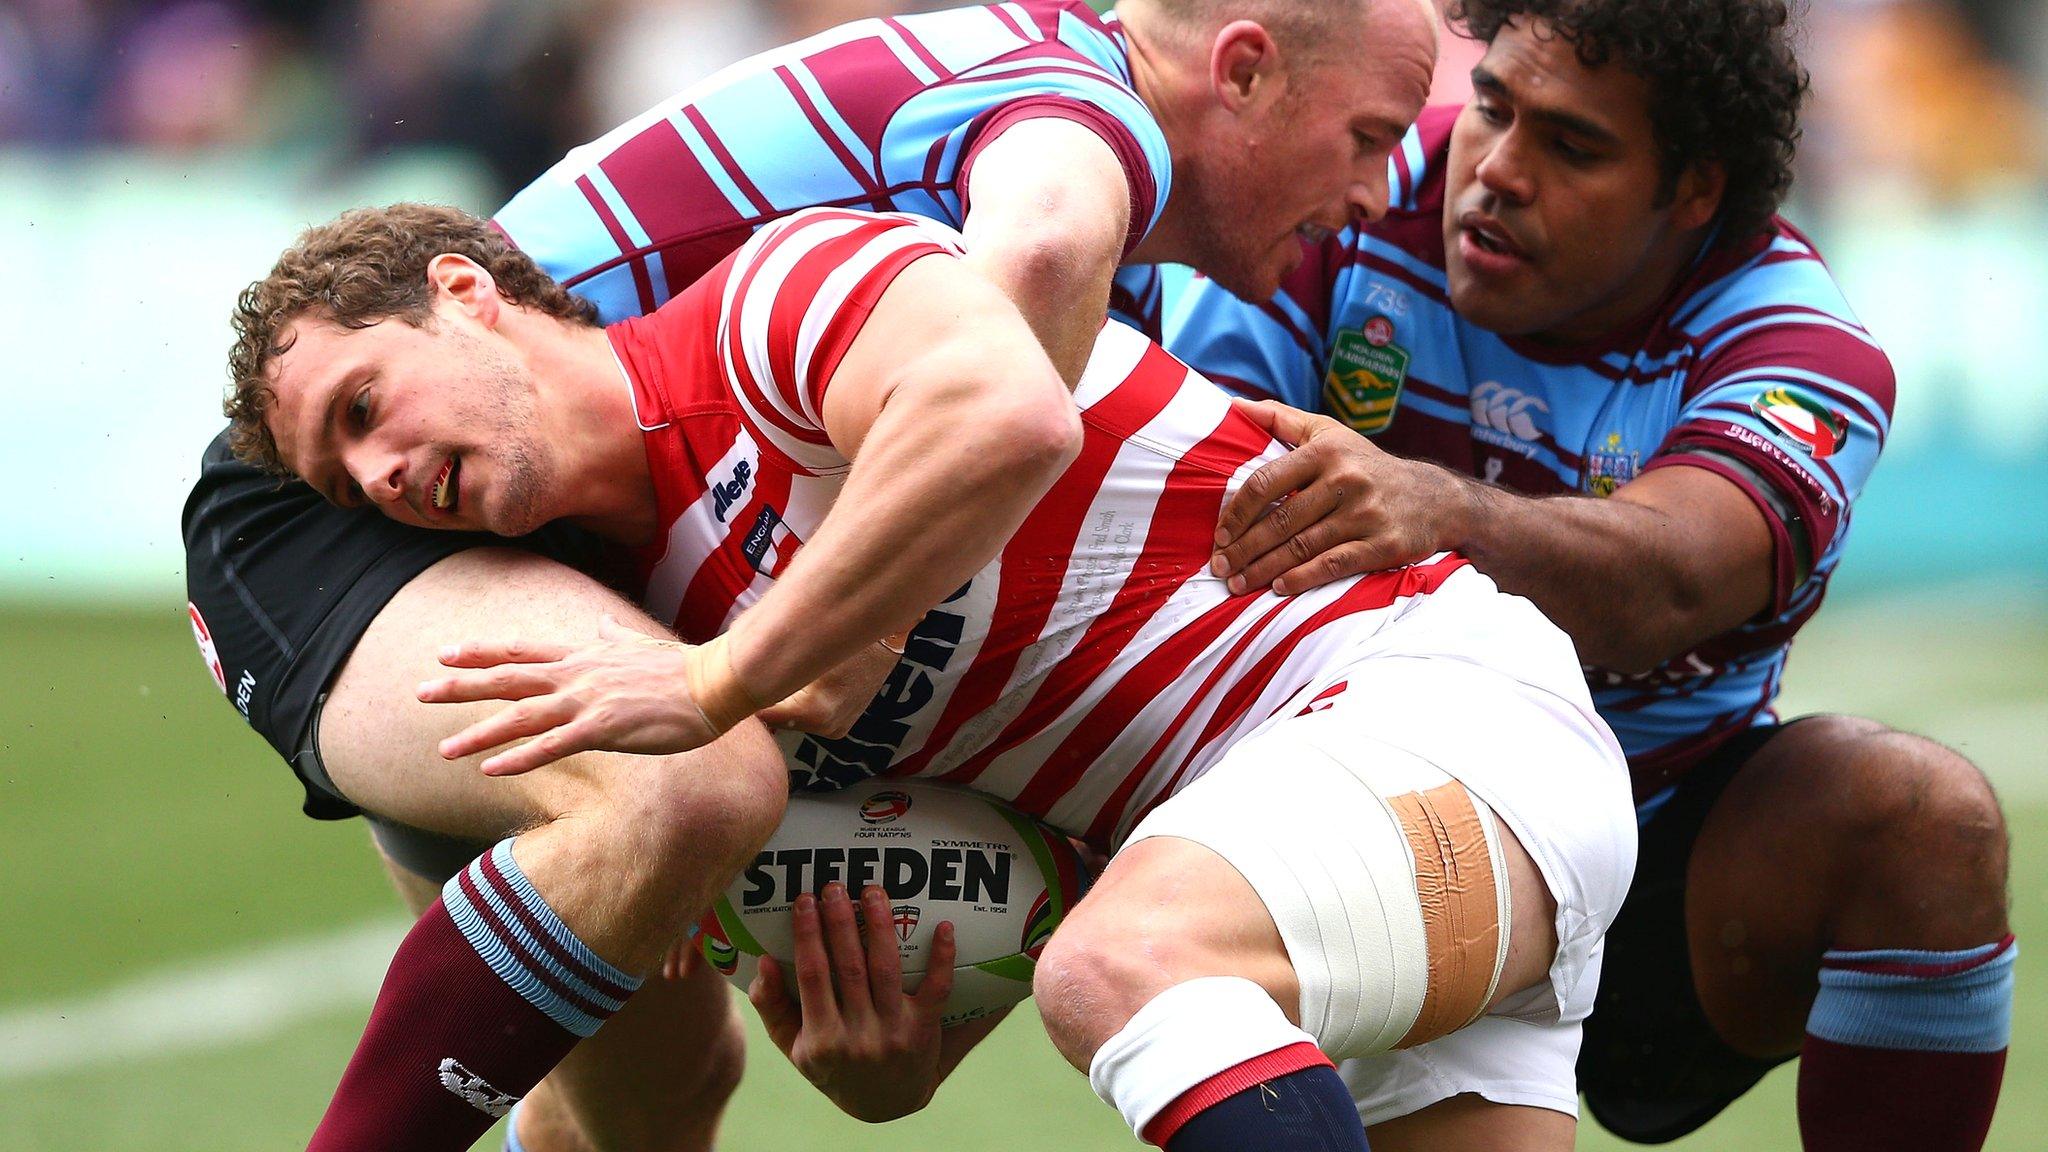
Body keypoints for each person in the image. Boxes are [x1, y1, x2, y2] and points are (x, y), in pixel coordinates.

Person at [181, 2, 1439, 1148]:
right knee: (689, 784)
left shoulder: (1140, 292)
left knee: (642, 1109)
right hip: (320, 507)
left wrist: (925, 1029)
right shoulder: (1085, 103)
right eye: (1369, 135)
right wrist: (848, 635)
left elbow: (1010, 660)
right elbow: (1028, 300)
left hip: (571, 519)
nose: (1377, 190)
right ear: (1243, 73)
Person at [1164, 1, 2017, 1149]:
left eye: (1572, 148)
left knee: (1918, 813)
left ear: (1694, 192)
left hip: (1651, 841)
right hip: (1357, 811)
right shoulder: (1353, 190)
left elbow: (1662, 586)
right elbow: (1185, 519)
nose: (1498, 172)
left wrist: (1434, 509)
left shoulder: (1795, 350)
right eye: (1492, 109)